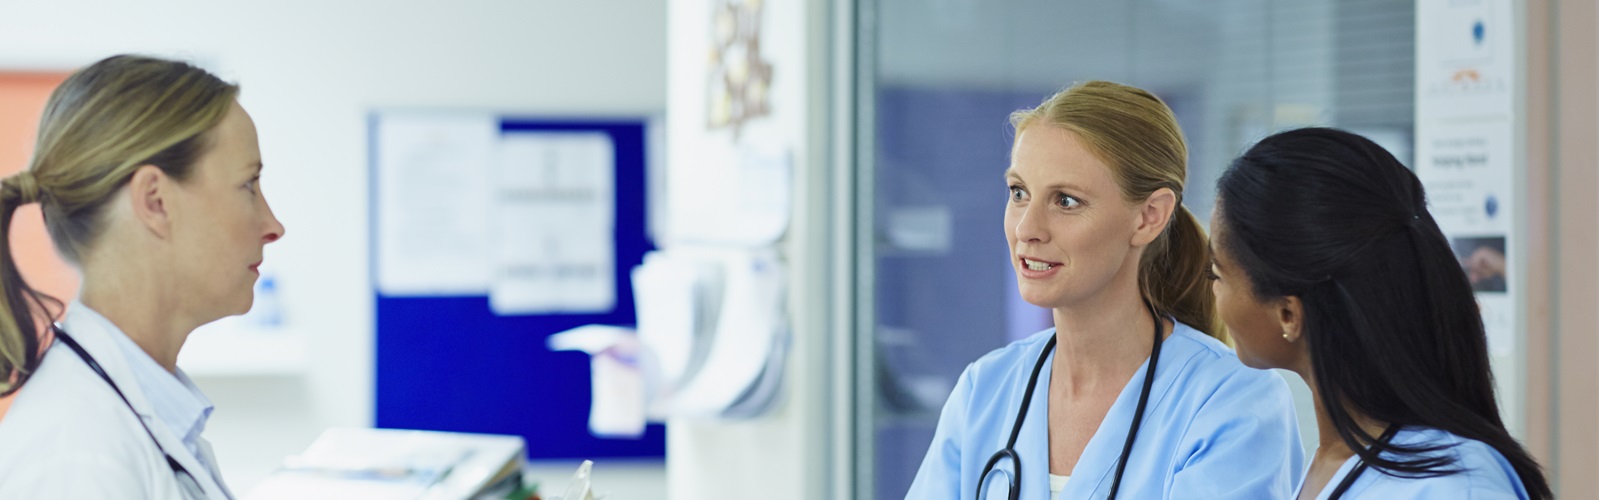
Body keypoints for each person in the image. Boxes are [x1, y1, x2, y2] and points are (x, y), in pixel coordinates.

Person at [906, 81, 1302, 499]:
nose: (1027, 229)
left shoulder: (1233, 403)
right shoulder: (984, 390)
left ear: (1149, 217)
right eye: (1019, 193)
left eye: (1066, 201)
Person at [1208, 127, 1551, 499]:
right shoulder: (1337, 458)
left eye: (1218, 275)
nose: (1212, 292)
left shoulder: (1452, 487)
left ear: (1289, 314)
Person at [0, 54, 284, 498]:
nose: (273, 225)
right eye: (248, 185)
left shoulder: (135, 413)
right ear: (154, 201)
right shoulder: (78, 458)